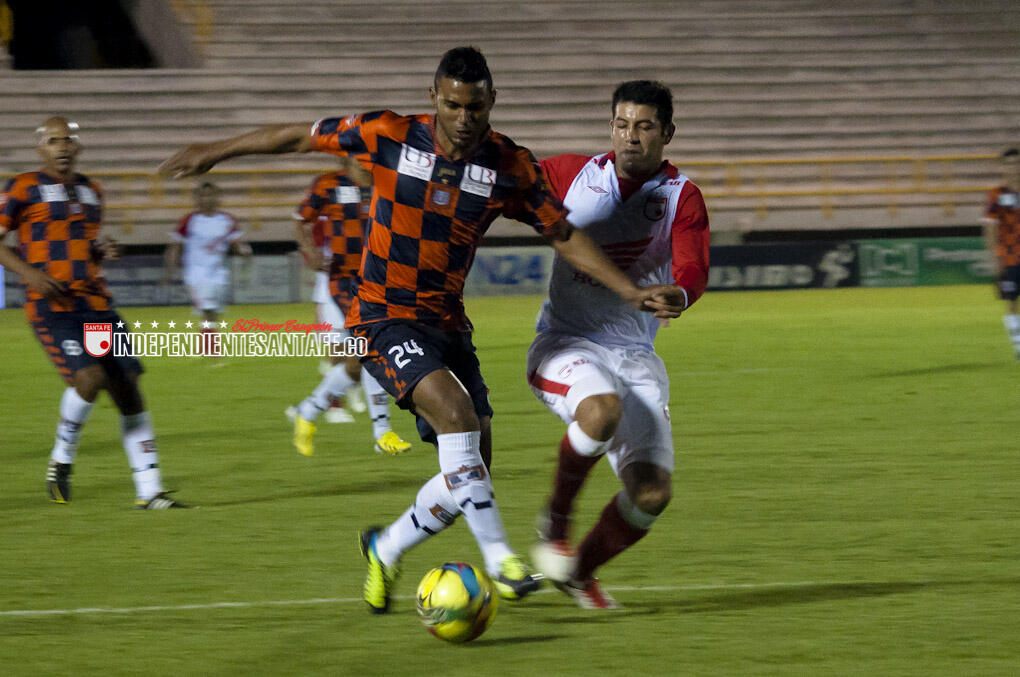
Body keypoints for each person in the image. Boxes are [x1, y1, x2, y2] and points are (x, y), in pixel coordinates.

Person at [159, 46, 686, 612]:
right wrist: (213, 151)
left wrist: (629, 290)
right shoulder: (387, 133)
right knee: (457, 419)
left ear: (492, 103)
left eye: (477, 108)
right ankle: (502, 560)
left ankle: (385, 547)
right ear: (434, 97)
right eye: (454, 105)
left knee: (471, 470)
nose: (465, 118)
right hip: (382, 314)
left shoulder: (509, 165)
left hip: (447, 322)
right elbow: (298, 136)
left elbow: (561, 233)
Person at [527, 81, 710, 609]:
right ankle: (555, 521)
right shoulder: (569, 175)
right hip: (565, 342)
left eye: (645, 126)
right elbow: (506, 192)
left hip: (634, 355)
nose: (632, 137)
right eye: (623, 124)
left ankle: (579, 573)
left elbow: (692, 266)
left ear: (667, 134)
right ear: (611, 127)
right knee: (600, 411)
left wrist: (679, 292)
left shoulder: (681, 197)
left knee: (652, 494)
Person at [0, 116, 186, 509]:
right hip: (54, 305)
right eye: (53, 140)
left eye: (68, 140)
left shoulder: (91, 191)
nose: (63, 146)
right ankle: (62, 458)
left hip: (95, 303)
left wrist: (102, 251)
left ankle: (150, 492)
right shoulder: (22, 188)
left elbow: (82, 245)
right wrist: (28, 272)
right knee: (90, 377)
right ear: (40, 148)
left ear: (79, 147)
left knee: (127, 389)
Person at [288, 157, 412, 455]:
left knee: (358, 363)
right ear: (349, 159)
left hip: (379, 282)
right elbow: (299, 220)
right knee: (370, 348)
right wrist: (310, 251)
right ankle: (383, 433)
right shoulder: (328, 184)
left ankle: (308, 411)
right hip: (343, 281)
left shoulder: (387, 183)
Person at [163, 181, 251, 353]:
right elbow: (175, 246)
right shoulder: (190, 220)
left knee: (213, 313)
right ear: (196, 198)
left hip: (219, 274)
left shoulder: (226, 220)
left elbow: (238, 244)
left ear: (217, 197)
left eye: (210, 195)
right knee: (208, 310)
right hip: (196, 274)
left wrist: (245, 252)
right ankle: (211, 351)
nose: (207, 199)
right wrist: (169, 271)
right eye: (203, 195)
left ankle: (206, 348)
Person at [983, 147, 1020, 360]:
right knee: (1012, 302)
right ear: (1003, 167)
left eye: (1016, 163)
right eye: (1009, 164)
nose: (1013, 168)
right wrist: (993, 257)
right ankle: (1018, 347)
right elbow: (990, 228)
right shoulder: (996, 195)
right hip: (1009, 258)